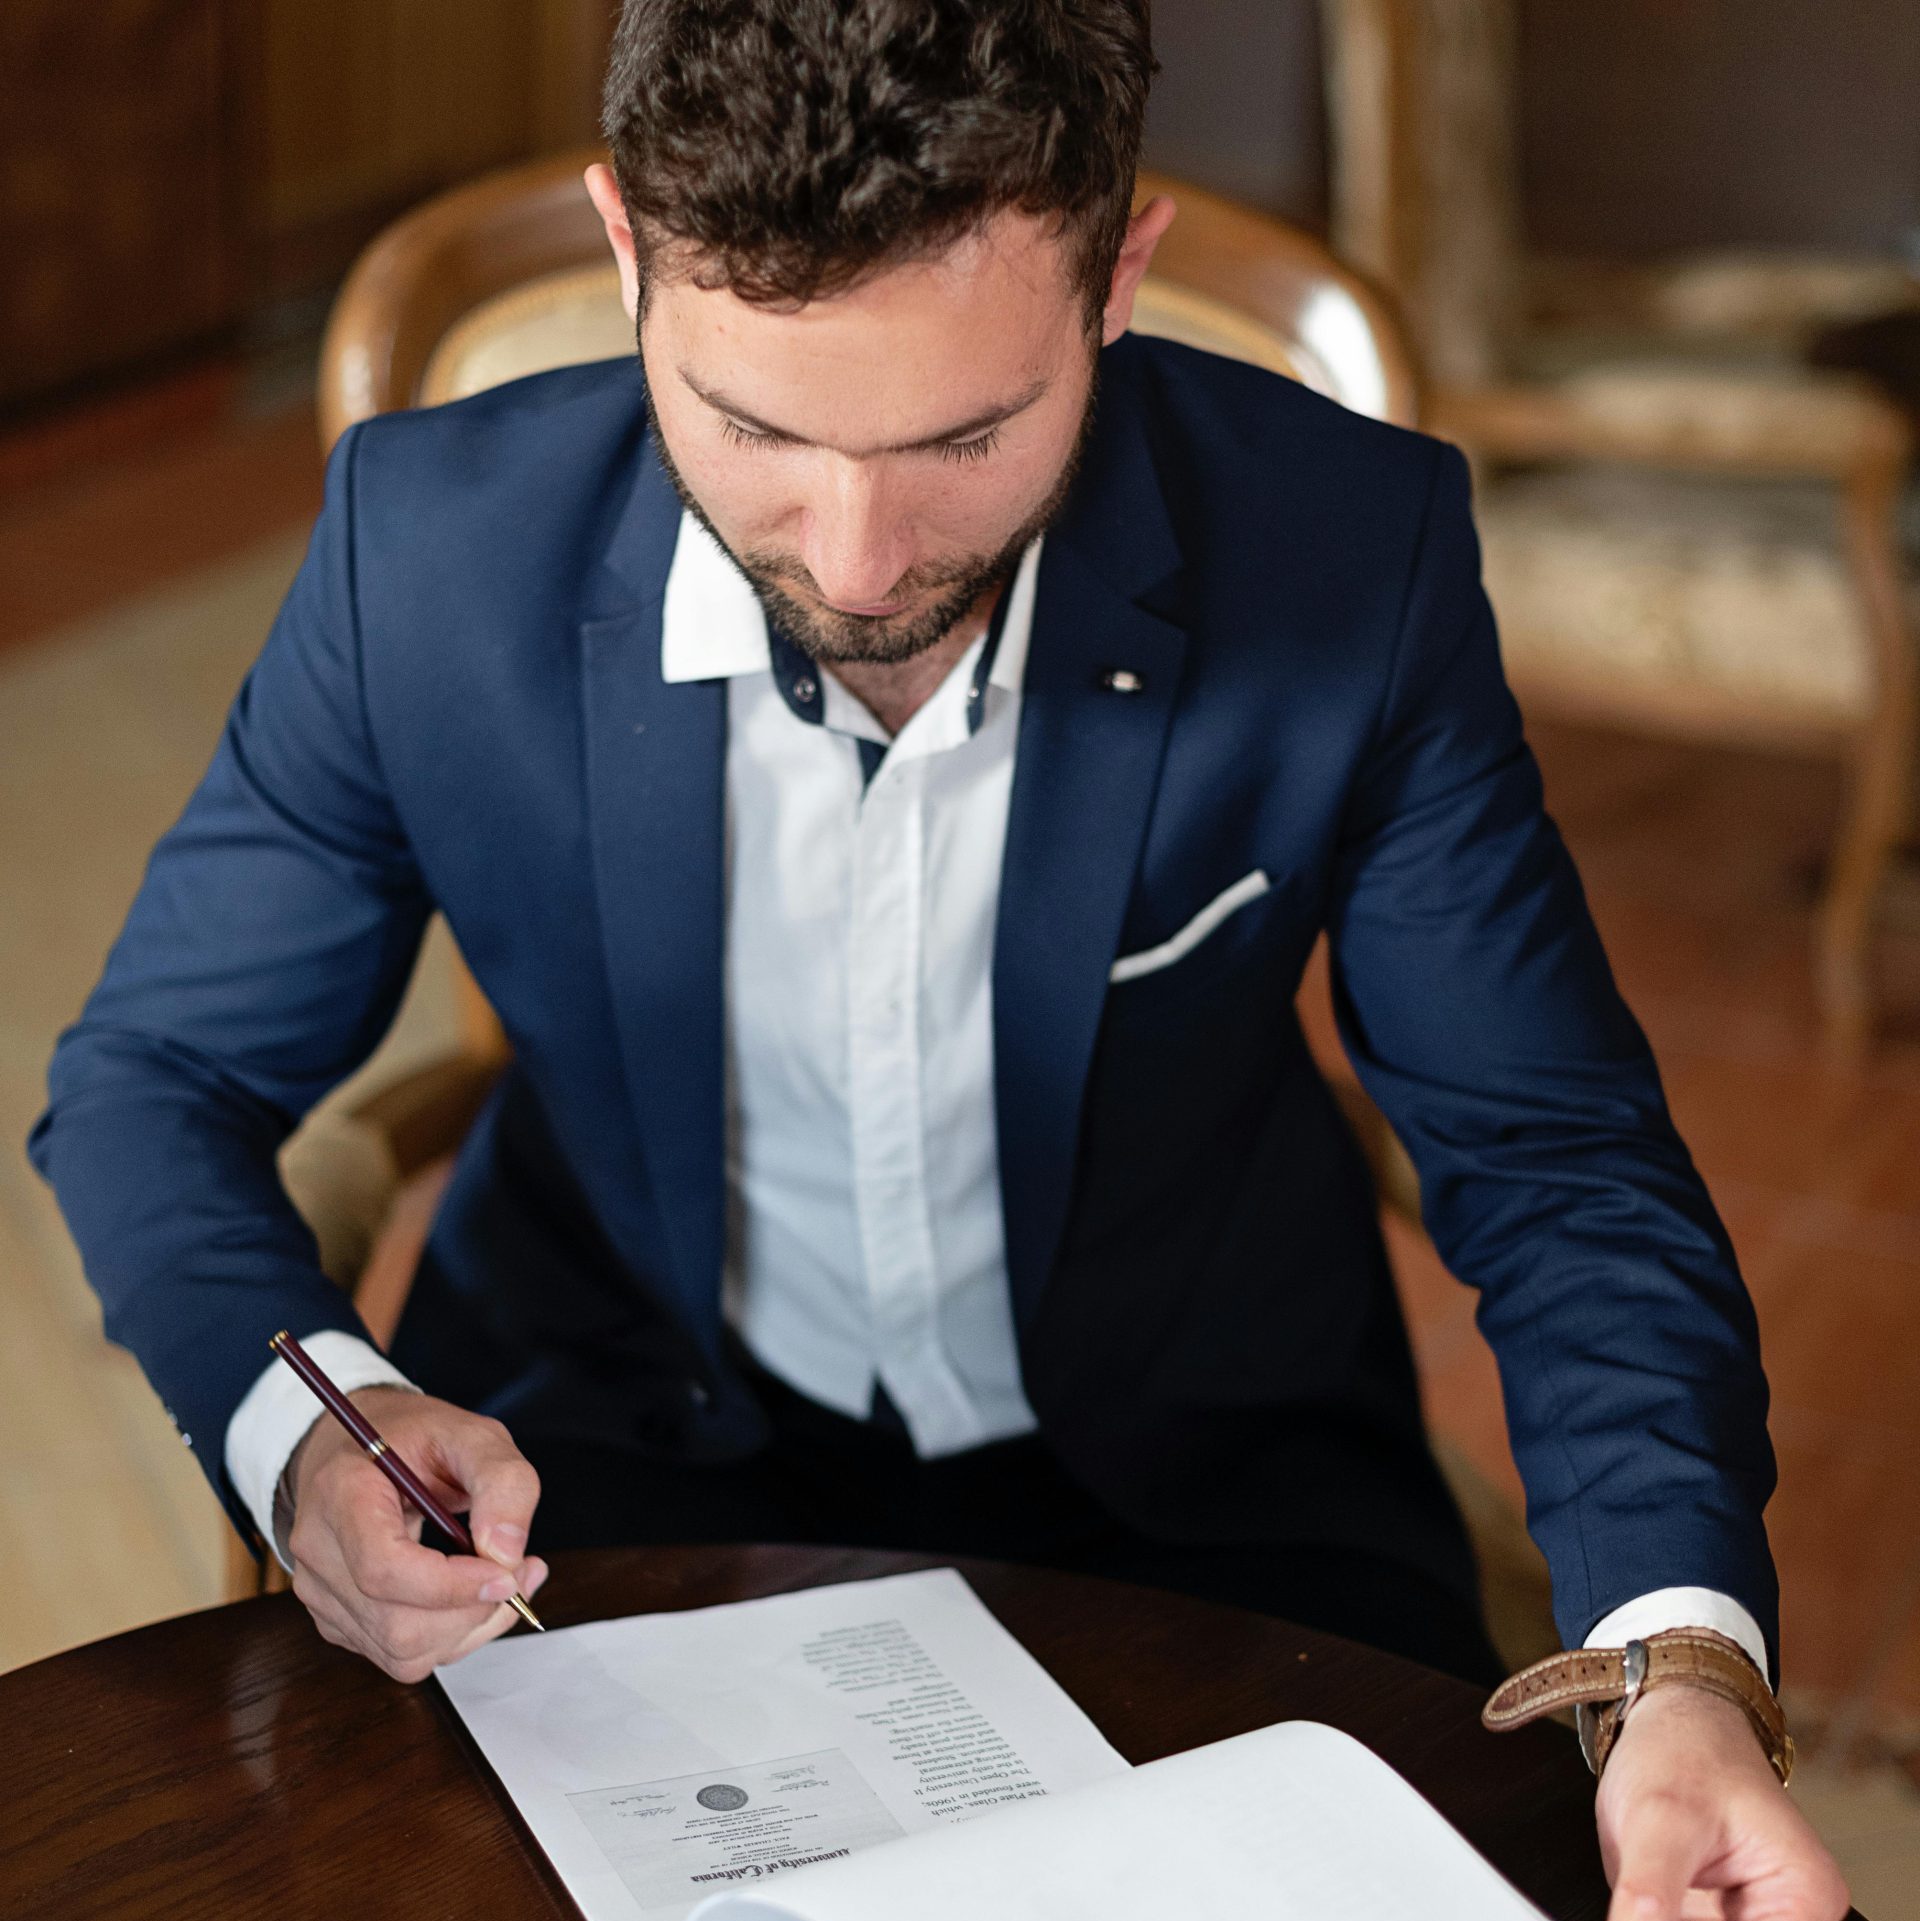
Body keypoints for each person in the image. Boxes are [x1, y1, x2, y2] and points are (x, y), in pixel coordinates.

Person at [32, 2, 1845, 1914]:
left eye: (965, 435)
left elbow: (1556, 1159)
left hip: (1205, 1497)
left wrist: (1685, 1661)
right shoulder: (428, 555)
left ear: (1118, 276)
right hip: (601, 1489)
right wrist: (310, 1420)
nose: (861, 558)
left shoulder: (1348, 554)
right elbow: (156, 1077)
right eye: (753, 424)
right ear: (626, 254)